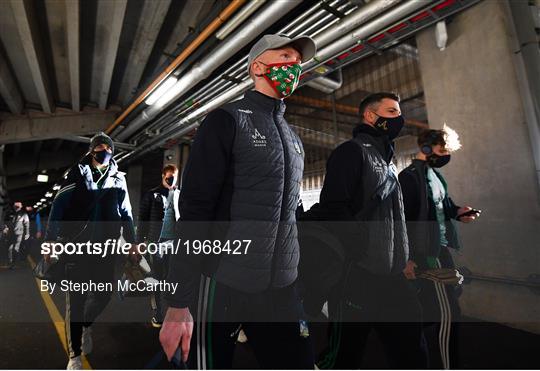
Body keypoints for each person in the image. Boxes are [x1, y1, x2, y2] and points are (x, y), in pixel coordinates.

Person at [159, 34, 317, 369]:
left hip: (282, 286)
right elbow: (196, 209)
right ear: (258, 66)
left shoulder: (292, 136)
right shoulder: (227, 120)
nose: (295, 65)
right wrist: (179, 300)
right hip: (224, 281)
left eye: (298, 61)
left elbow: (291, 211)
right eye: (286, 56)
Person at [316, 92, 428, 369]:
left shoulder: (388, 163)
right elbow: (333, 207)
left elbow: (394, 220)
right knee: (344, 354)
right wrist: (360, 250)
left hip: (393, 275)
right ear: (370, 116)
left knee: (411, 349)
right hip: (358, 275)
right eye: (391, 112)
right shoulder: (351, 152)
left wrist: (403, 258)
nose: (399, 119)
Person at [43, 132, 138, 370]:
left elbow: (126, 213)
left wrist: (133, 241)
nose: (104, 151)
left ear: (113, 152)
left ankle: (86, 324)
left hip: (104, 250)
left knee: (103, 295)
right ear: (91, 150)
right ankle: (74, 356)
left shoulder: (118, 179)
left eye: (108, 148)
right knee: (75, 302)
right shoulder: (76, 174)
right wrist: (51, 240)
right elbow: (58, 206)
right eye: (99, 147)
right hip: (75, 249)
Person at [399, 126, 480, 369]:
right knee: (448, 314)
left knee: (429, 310)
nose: (445, 155)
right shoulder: (409, 178)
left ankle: (405, 351)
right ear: (426, 148)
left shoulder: (435, 176)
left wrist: (460, 213)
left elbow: (445, 206)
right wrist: (407, 257)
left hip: (440, 248)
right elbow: (401, 219)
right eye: (442, 150)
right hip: (425, 253)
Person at [137, 164, 180, 327]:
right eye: (169, 176)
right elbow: (142, 219)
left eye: (174, 176)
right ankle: (158, 313)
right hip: (156, 242)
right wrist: (140, 242)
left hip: (173, 242)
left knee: (171, 278)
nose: (171, 179)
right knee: (156, 277)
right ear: (163, 176)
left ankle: (171, 311)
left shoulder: (178, 195)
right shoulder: (151, 195)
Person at [6, 202, 29, 268]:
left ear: (20, 206)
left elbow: (27, 224)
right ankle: (11, 261)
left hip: (19, 233)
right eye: (15, 205)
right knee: (10, 248)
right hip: (11, 233)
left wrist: (27, 233)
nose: (16, 206)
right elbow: (6, 222)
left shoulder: (24, 214)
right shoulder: (10, 213)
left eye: (17, 205)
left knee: (15, 248)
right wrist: (6, 228)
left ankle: (13, 263)